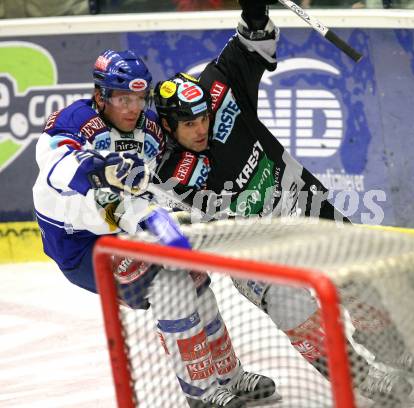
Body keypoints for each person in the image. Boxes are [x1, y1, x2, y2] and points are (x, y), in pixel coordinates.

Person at [151, 0, 414, 405]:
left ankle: (383, 341)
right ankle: (363, 377)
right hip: (254, 249)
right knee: (300, 313)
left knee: (359, 270)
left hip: (301, 203)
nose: (202, 127)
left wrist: (254, 10)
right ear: (169, 126)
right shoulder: (166, 170)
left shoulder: (218, 90)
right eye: (189, 124)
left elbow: (250, 41)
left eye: (204, 117)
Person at [32, 49, 278, 408]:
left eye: (138, 98)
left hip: (122, 226)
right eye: (122, 99)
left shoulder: (148, 129)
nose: (132, 108)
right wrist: (100, 172)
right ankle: (202, 394)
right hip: (79, 242)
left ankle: (228, 375)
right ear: (100, 96)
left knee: (194, 278)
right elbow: (54, 161)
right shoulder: (75, 122)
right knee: (170, 286)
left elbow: (163, 164)